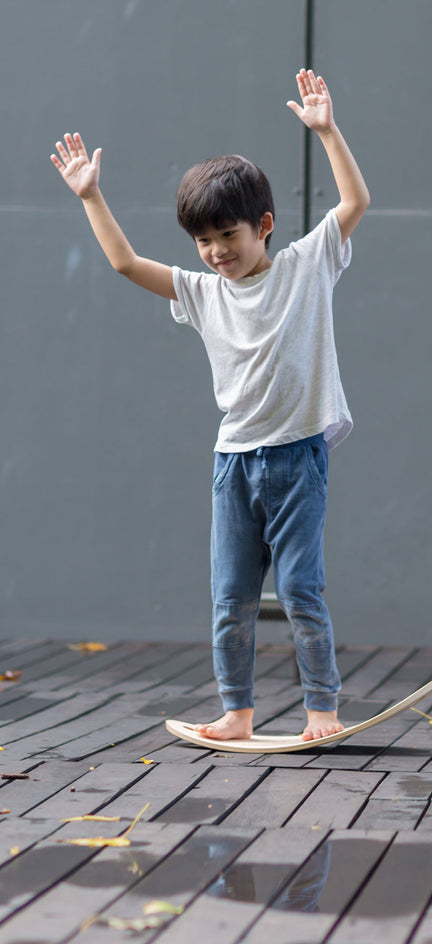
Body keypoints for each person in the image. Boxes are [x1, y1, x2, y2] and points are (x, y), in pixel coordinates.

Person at [51, 68, 369, 742]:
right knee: (231, 601)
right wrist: (91, 196)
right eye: (203, 241)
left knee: (303, 593)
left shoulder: (307, 266)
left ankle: (322, 712)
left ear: (265, 226)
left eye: (228, 235)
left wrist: (327, 131)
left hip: (298, 458)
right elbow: (125, 263)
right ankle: (236, 712)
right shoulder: (202, 293)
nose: (217, 252)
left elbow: (356, 200)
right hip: (234, 465)